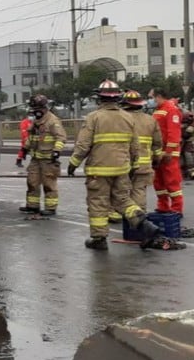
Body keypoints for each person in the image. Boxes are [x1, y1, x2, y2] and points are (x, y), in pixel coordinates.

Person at [66, 79, 159, 250]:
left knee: (98, 203)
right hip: (122, 169)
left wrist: (73, 163)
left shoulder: (94, 117)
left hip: (99, 171)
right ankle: (144, 225)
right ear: (117, 98)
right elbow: (135, 146)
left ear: (99, 98)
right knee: (123, 200)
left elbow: (83, 145)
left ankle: (99, 239)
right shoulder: (128, 117)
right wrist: (133, 165)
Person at [18, 95, 66, 215]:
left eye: (37, 109)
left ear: (44, 108)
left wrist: (57, 151)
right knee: (32, 182)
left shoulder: (53, 121)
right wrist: (24, 149)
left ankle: (50, 207)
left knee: (49, 184)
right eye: (34, 109)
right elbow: (32, 137)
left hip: (48, 158)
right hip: (35, 158)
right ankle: (32, 206)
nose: (35, 112)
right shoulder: (36, 121)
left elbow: (61, 137)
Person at [120, 89, 163, 210]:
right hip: (143, 164)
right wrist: (157, 159)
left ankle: (117, 214)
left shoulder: (121, 119)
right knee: (139, 190)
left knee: (120, 190)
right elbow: (157, 143)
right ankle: (139, 215)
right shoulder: (150, 120)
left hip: (123, 162)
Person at [148, 87, 184, 214]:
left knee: (172, 181)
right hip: (159, 151)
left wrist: (169, 151)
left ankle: (176, 208)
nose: (150, 100)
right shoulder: (158, 110)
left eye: (151, 97)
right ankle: (163, 206)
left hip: (169, 152)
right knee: (159, 182)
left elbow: (173, 133)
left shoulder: (171, 110)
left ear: (158, 96)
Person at [180, 108, 194, 180]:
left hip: (187, 137)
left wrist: (192, 126)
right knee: (178, 155)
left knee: (188, 154)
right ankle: (182, 171)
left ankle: (192, 171)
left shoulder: (186, 113)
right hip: (177, 138)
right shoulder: (169, 113)